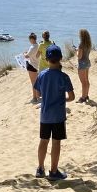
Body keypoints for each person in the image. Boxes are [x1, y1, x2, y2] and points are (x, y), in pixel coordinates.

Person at [34, 44, 75, 181]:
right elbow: (72, 97)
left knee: (43, 141)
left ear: (46, 59)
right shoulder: (64, 77)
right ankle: (53, 171)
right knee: (56, 143)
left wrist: (46, 96)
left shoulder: (42, 75)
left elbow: (38, 93)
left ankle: (40, 168)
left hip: (45, 115)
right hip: (58, 116)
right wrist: (62, 99)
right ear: (60, 58)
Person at [76, 29, 92, 102]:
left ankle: (83, 98)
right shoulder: (89, 43)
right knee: (86, 81)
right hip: (87, 62)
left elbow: (79, 56)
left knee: (83, 82)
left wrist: (76, 51)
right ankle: (86, 95)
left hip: (82, 64)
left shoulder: (81, 45)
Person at [24, 33, 41, 103]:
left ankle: (35, 97)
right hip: (37, 65)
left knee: (33, 83)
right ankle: (38, 95)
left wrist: (24, 54)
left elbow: (27, 56)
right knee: (37, 82)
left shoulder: (32, 47)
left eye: (29, 39)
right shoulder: (39, 45)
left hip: (32, 66)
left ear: (31, 39)